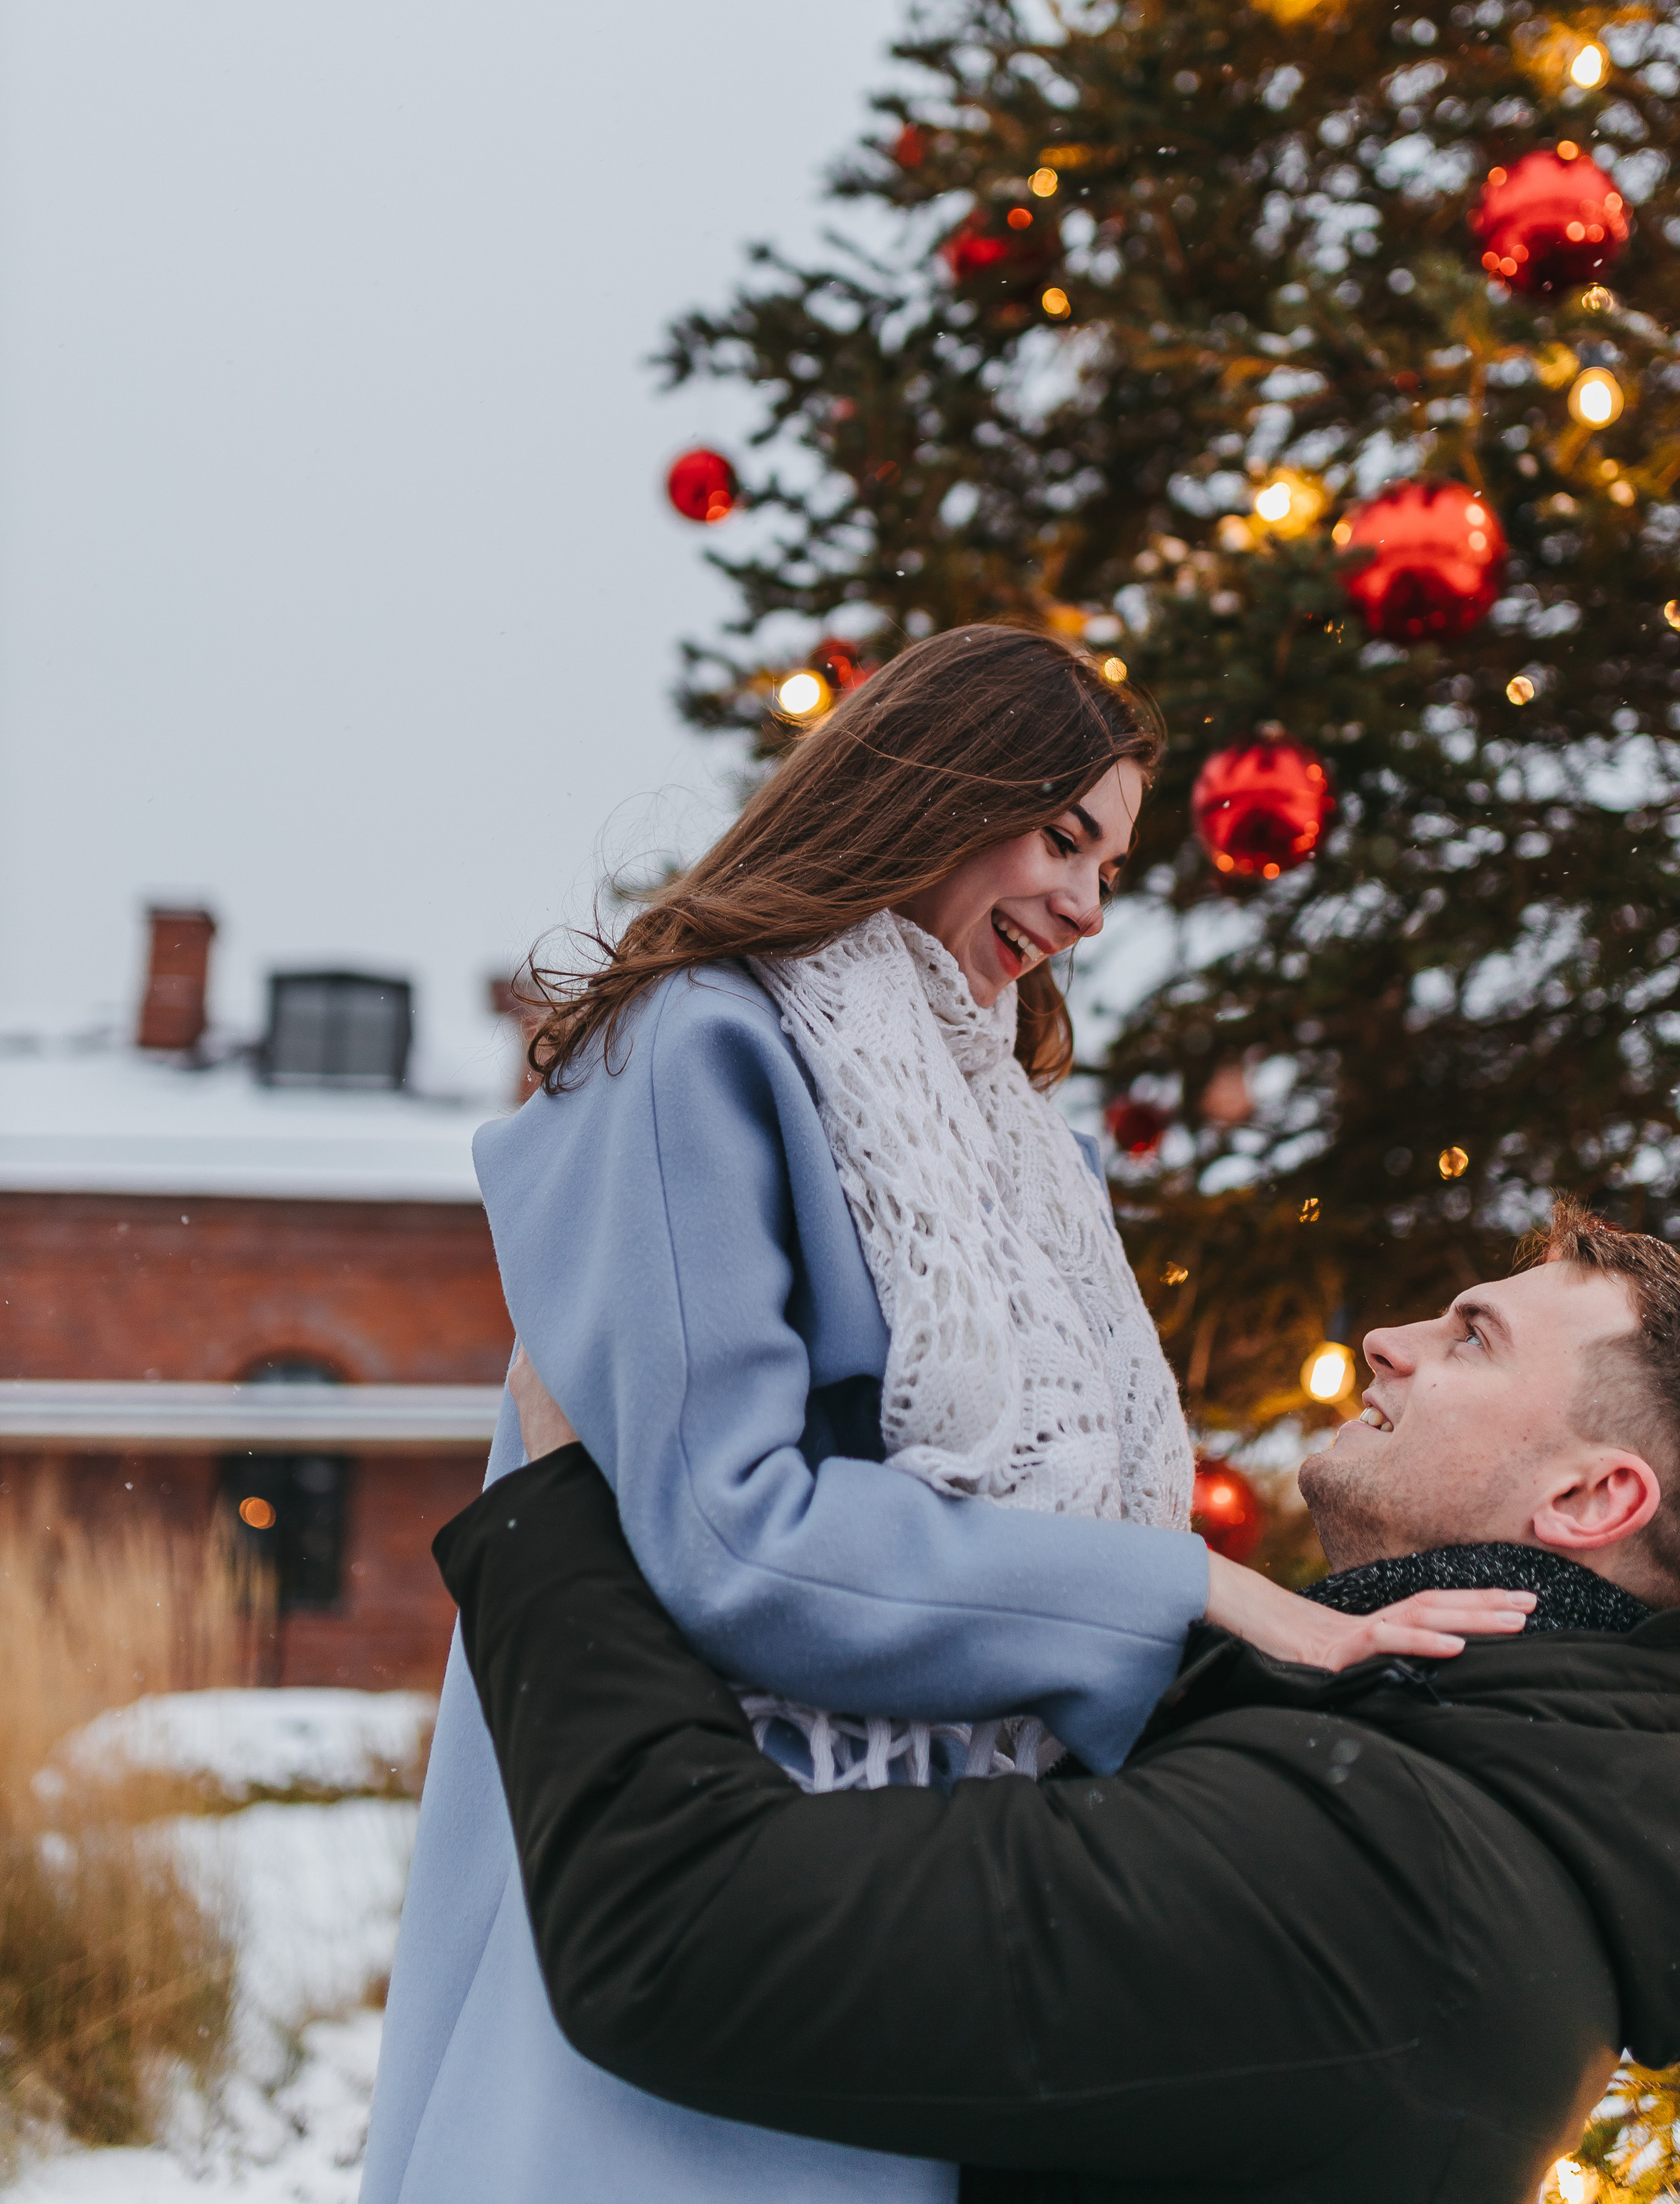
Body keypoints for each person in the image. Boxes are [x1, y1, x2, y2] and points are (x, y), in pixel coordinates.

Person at [362, 626, 1523, 2204]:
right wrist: (1184, 1589)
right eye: (1062, 837)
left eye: (1109, 867)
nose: (1084, 906)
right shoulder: (698, 1044)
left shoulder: (1018, 1143)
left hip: (949, 1943)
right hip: (721, 1903)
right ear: (937, 783)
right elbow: (731, 1538)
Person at [442, 1204, 1680, 2204]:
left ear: (1586, 1499)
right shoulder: (1465, 1803)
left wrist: (550, 1509)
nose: (1389, 1341)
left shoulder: (1385, 1867)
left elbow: (686, 1933)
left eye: (1469, 1340)